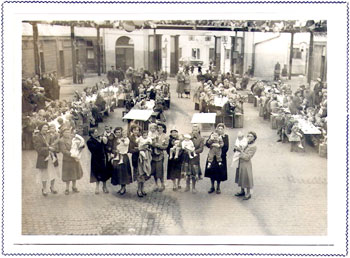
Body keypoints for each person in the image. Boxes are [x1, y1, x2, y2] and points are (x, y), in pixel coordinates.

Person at [33, 123, 59, 196]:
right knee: (44, 173)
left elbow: (55, 145)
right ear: (40, 128)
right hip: (43, 158)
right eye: (44, 128)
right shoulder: (37, 137)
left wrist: (55, 148)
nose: (45, 129)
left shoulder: (50, 135)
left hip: (52, 157)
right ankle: (44, 188)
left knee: (53, 172)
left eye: (47, 128)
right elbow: (38, 149)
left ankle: (52, 187)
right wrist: (48, 148)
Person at [205, 123, 229, 194]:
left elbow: (226, 147)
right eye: (219, 128)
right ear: (217, 129)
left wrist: (219, 148)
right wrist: (211, 142)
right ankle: (212, 186)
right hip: (212, 156)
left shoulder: (225, 136)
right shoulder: (213, 134)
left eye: (222, 128)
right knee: (211, 171)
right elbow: (207, 144)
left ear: (223, 129)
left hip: (220, 157)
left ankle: (218, 187)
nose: (220, 130)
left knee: (219, 172)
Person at [59, 128, 84, 195]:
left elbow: (78, 144)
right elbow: (64, 151)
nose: (67, 133)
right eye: (66, 132)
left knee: (74, 172)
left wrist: (80, 148)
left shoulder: (72, 138)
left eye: (68, 132)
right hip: (68, 159)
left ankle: (74, 186)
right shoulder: (61, 140)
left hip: (74, 159)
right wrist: (73, 154)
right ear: (63, 133)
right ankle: (67, 188)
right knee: (67, 174)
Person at [87, 128, 111, 194]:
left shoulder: (100, 138)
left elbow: (105, 146)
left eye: (97, 132)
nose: (97, 133)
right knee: (97, 172)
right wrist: (99, 142)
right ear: (92, 134)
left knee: (104, 172)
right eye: (95, 132)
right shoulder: (90, 141)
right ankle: (97, 187)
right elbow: (94, 149)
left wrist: (105, 141)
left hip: (103, 157)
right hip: (96, 159)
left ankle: (104, 186)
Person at [181, 124, 204, 193]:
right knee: (187, 171)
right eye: (193, 130)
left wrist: (193, 151)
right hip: (186, 156)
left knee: (194, 172)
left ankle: (193, 187)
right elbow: (183, 143)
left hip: (195, 157)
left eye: (196, 130)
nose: (194, 131)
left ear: (198, 130)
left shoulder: (201, 138)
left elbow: (201, 149)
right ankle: (187, 186)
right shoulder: (188, 136)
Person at [235, 131, 257, 200]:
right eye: (248, 136)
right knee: (241, 177)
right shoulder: (245, 143)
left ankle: (248, 193)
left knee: (246, 178)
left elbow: (247, 157)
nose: (249, 137)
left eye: (251, 136)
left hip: (246, 164)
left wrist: (240, 151)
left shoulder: (253, 146)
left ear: (254, 138)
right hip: (241, 162)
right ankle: (242, 191)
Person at [111, 127, 132, 195]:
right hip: (116, 156)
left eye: (119, 132)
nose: (118, 134)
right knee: (117, 172)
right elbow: (112, 148)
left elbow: (128, 147)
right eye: (116, 132)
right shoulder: (114, 140)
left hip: (123, 156)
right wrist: (114, 151)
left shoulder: (125, 139)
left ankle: (123, 187)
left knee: (123, 172)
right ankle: (121, 186)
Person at [151, 123, 169, 192]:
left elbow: (165, 146)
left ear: (163, 129)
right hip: (153, 155)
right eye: (158, 128)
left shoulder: (165, 136)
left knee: (160, 169)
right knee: (154, 170)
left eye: (160, 128)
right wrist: (153, 144)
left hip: (160, 155)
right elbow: (151, 143)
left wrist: (158, 146)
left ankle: (162, 184)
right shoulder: (154, 135)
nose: (159, 129)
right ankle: (156, 184)